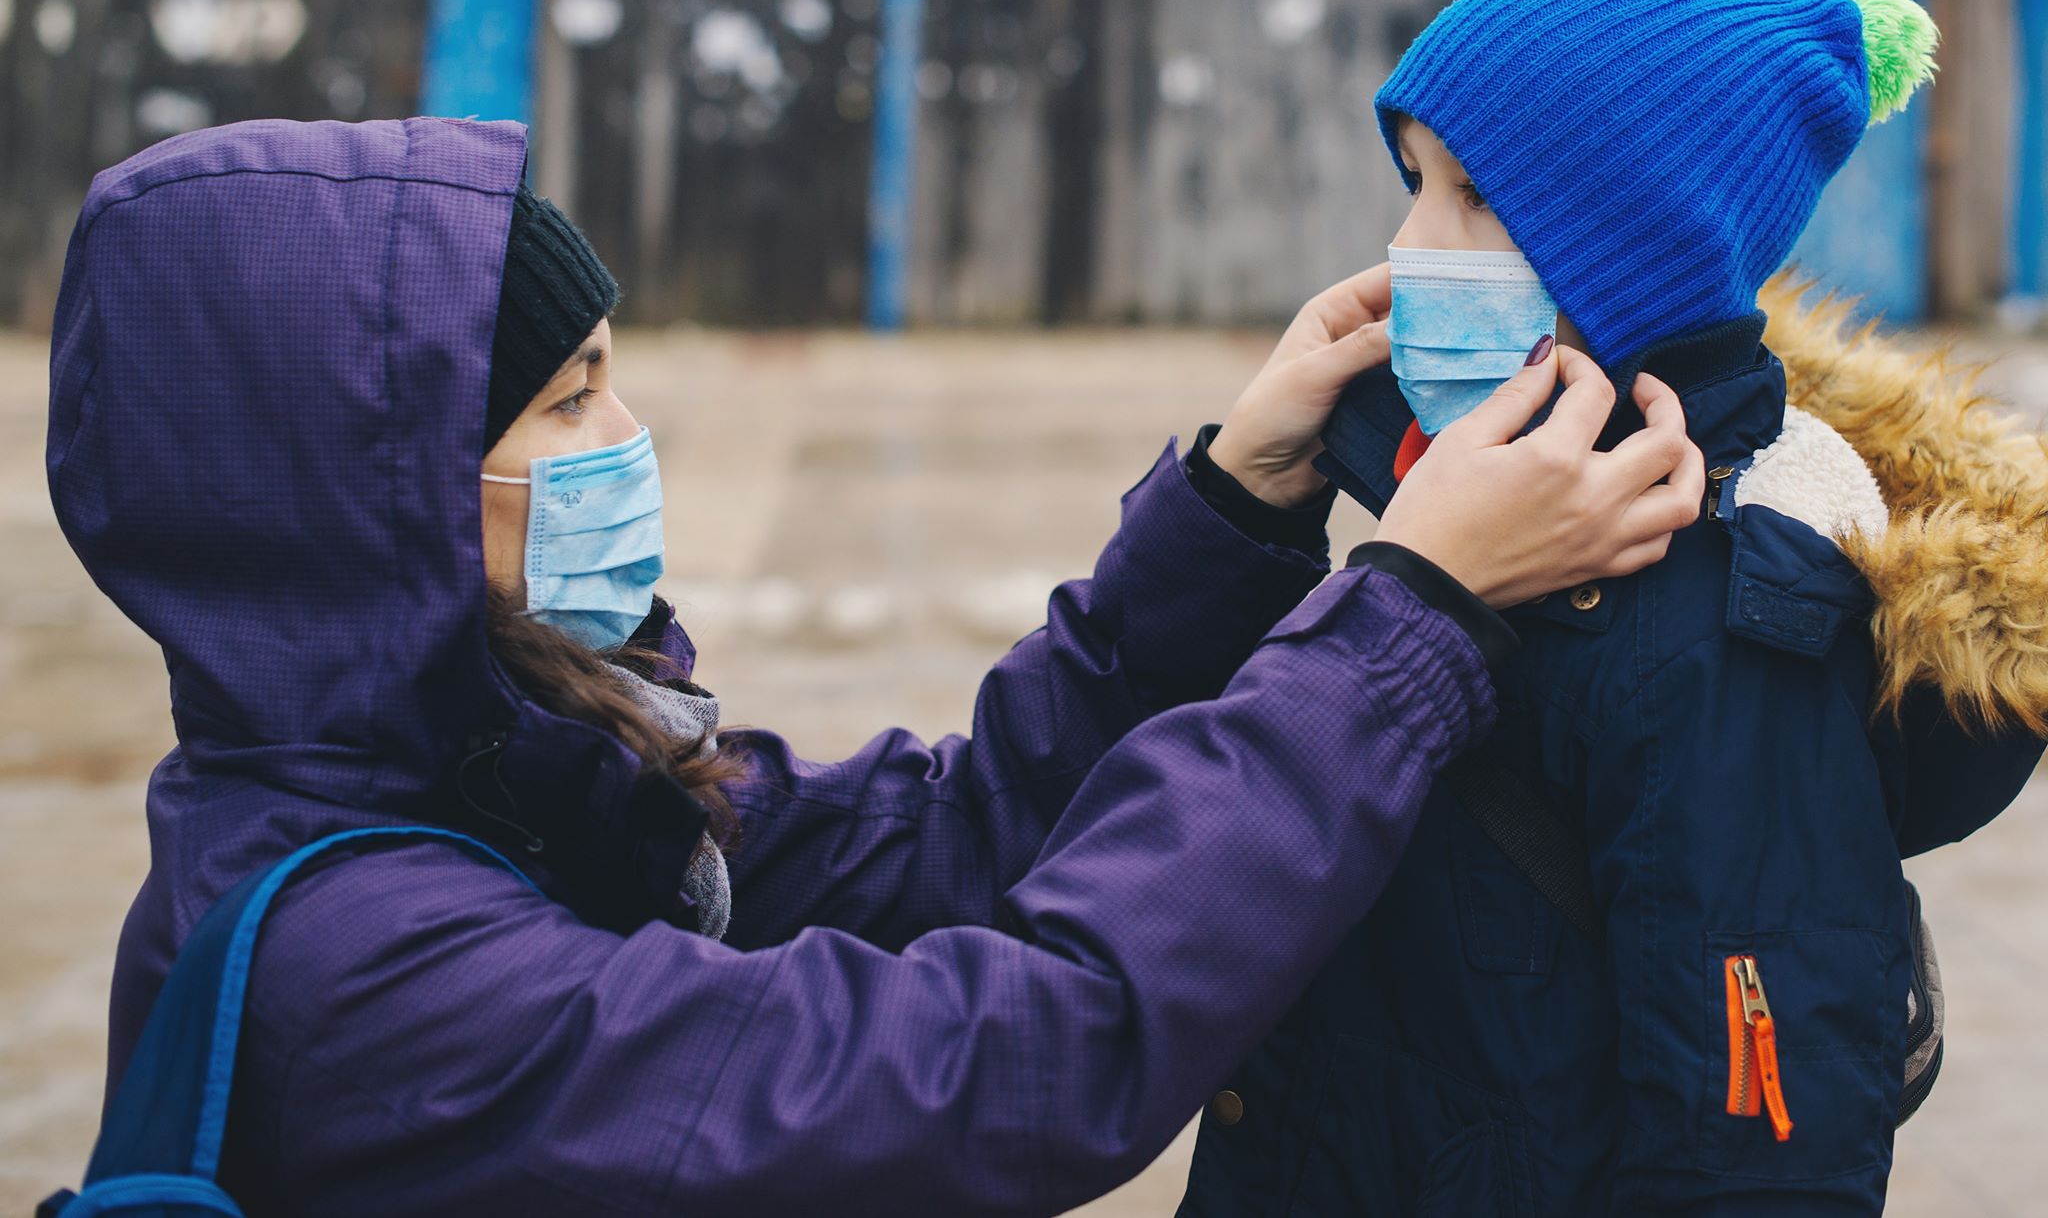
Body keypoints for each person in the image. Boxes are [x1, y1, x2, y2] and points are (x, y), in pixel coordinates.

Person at [47, 114, 1702, 1215]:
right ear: (363, 502)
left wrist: (1228, 507)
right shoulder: (377, 975)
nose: (626, 440)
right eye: (564, 405)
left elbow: (954, 843)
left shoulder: (518, 769)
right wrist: (1402, 619)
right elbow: (1010, 1058)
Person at [1180, 0, 2048, 1217]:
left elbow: (1755, 1150)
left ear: (1636, 251)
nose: (1412, 243)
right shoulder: (1406, 499)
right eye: (1413, 181)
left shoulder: (1717, 627)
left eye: (1475, 198)